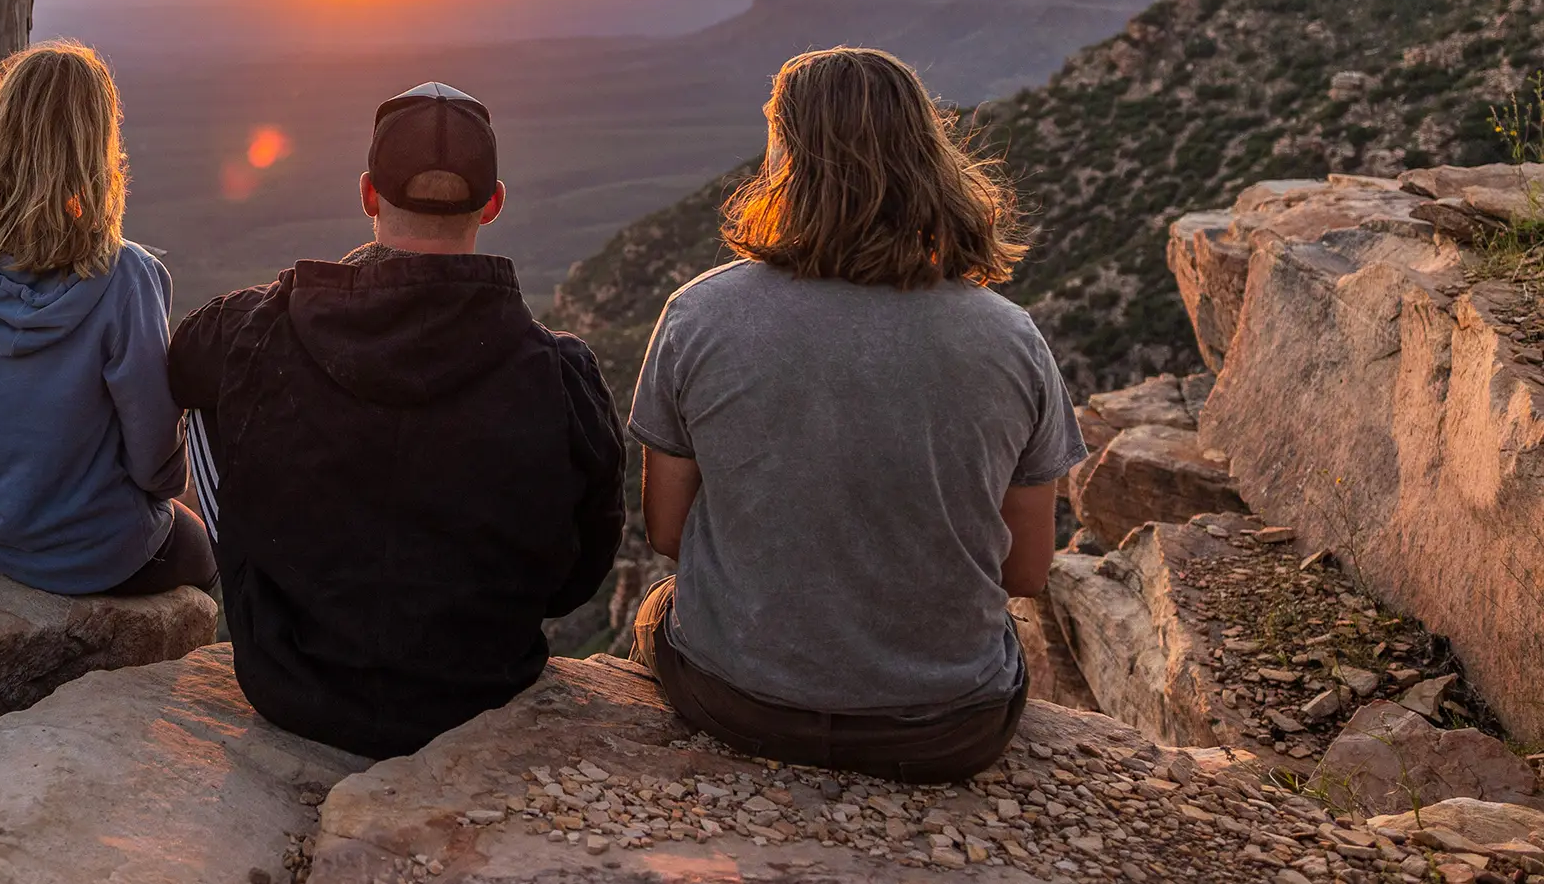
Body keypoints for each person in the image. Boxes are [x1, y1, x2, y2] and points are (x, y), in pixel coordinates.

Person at [626, 46, 1084, 784]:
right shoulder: (1010, 338)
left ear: (786, 161)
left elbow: (669, 531)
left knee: (655, 610)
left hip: (736, 701)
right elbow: (1027, 569)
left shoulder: (700, 314)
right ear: (929, 158)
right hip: (946, 728)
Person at [170, 81, 625, 759]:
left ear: (368, 195)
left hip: (291, 688)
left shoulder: (257, 328)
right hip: (480, 692)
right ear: (493, 203)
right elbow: (582, 574)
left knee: (216, 392)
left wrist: (297, 296)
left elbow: (181, 364)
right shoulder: (562, 375)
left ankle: (273, 602)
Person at [0, 43, 211, 596]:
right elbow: (154, 468)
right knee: (208, 545)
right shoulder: (127, 280)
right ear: (98, 147)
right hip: (97, 555)